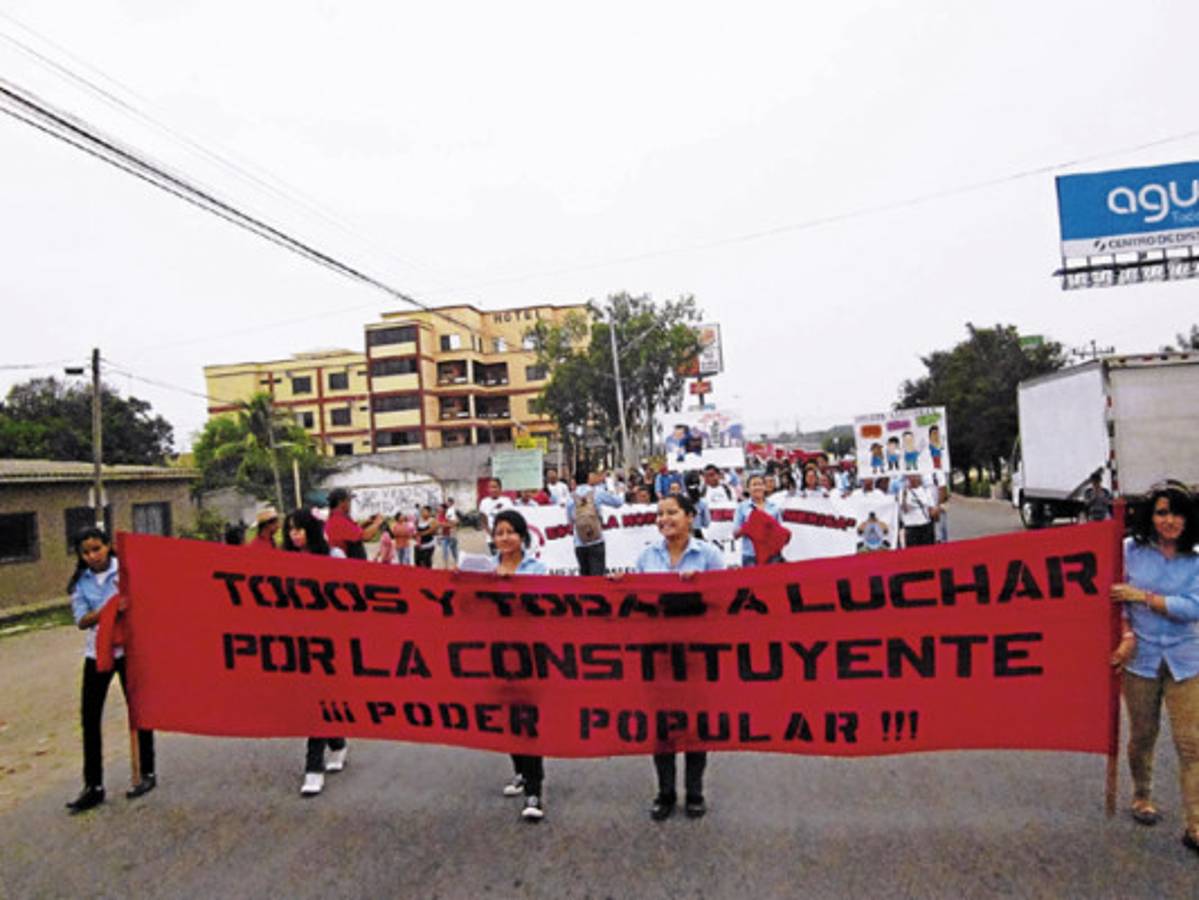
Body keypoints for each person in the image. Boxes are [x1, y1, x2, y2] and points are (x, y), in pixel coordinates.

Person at [1110, 480, 1199, 854]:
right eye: (1162, 513)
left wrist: (1144, 597)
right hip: (1140, 660)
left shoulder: (1196, 557)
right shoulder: (1129, 551)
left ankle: (1195, 824)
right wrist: (1126, 633)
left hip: (1186, 661)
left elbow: (1192, 607)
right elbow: (1113, 598)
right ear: (1151, 516)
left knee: (1192, 744)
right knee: (1143, 735)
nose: (1170, 521)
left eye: (1177, 513)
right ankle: (1142, 794)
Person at [633, 493, 725, 820]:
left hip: (696, 654)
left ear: (690, 516)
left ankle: (695, 792)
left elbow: (723, 602)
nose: (664, 519)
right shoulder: (647, 557)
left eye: (672, 512)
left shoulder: (709, 555)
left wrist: (699, 588)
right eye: (660, 514)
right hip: (658, 653)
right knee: (662, 726)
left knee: (696, 723)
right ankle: (666, 792)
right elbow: (636, 604)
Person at [65, 527, 157, 813]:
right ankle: (93, 785)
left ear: (108, 546)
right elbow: (81, 620)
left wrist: (129, 604)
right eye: (86, 552)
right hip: (98, 653)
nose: (93, 556)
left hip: (128, 651)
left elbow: (148, 601)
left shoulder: (126, 571)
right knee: (90, 718)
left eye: (97, 549)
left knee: (139, 711)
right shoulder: (81, 582)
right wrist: (110, 609)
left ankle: (146, 771)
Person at [488, 510, 550, 821]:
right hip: (495, 655)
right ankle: (522, 773)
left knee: (528, 720)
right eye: (499, 532)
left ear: (523, 536)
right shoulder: (484, 570)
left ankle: (534, 790)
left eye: (511, 532)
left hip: (529, 656)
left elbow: (545, 609)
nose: (505, 538)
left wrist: (515, 586)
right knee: (509, 719)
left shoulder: (537, 569)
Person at [284, 508, 349, 795]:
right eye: (290, 530)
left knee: (318, 698)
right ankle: (337, 742)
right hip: (296, 640)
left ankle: (313, 767)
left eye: (299, 529)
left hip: (329, 640)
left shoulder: (333, 557)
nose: (294, 535)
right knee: (310, 698)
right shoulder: (281, 561)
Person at [567, 471, 624, 575]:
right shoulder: (597, 492)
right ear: (588, 478)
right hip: (596, 540)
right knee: (598, 579)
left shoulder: (571, 497)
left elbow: (570, 520)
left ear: (575, 481)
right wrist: (620, 491)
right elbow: (618, 502)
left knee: (585, 579)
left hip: (580, 542)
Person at [733, 474, 783, 566]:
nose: (758, 487)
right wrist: (749, 526)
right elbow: (735, 534)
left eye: (760, 484)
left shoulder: (774, 507)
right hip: (750, 555)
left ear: (764, 487)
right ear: (748, 488)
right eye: (754, 484)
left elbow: (780, 532)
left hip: (771, 555)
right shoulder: (741, 507)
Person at [324, 488, 383, 559]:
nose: (350, 504)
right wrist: (377, 523)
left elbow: (354, 533)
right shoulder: (338, 521)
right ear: (341, 502)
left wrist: (366, 523)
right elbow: (365, 536)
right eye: (348, 500)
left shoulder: (336, 518)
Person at [894, 474, 938, 547]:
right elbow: (904, 510)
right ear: (908, 477)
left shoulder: (926, 491)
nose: (914, 478)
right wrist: (904, 497)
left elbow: (931, 510)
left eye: (916, 476)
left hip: (925, 525)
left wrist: (937, 510)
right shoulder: (903, 491)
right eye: (911, 476)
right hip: (911, 527)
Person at [437, 499, 459, 567]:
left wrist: (444, 524)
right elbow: (439, 526)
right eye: (439, 508)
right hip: (444, 536)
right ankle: (445, 566)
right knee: (444, 551)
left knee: (454, 551)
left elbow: (456, 522)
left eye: (440, 508)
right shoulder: (439, 516)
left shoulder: (450, 514)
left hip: (452, 536)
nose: (439, 509)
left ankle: (457, 563)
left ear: (444, 509)